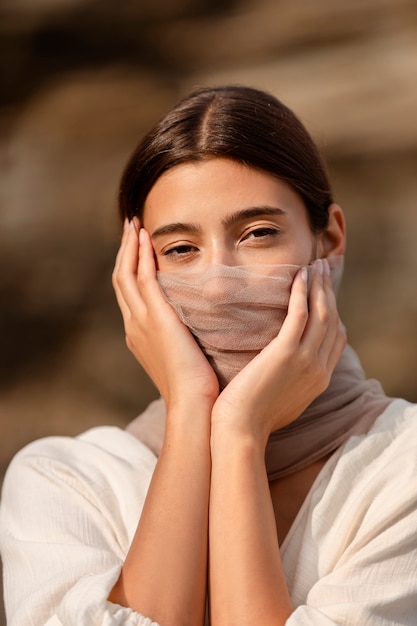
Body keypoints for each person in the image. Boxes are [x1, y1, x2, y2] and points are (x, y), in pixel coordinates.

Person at [1, 85, 416, 626]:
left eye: (258, 233)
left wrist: (240, 434)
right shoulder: (67, 482)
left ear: (330, 241)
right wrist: (193, 411)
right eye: (180, 249)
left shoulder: (402, 467)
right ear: (137, 272)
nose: (220, 288)